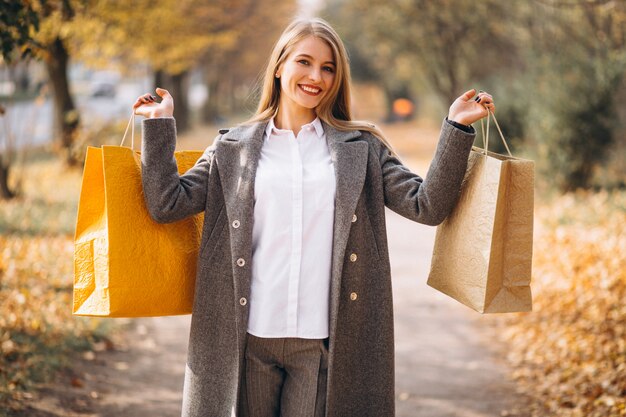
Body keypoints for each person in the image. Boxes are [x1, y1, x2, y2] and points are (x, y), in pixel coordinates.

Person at [133, 16, 495, 417]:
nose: (315, 76)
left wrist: (456, 128)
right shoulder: (231, 148)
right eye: (304, 62)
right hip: (246, 338)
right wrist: (159, 125)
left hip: (323, 343)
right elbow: (167, 203)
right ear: (279, 66)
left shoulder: (362, 148)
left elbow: (426, 205)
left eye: (328, 68)